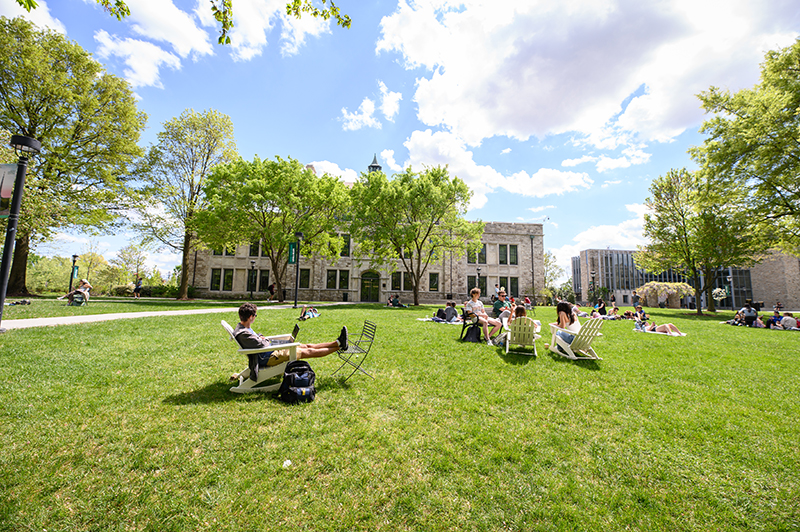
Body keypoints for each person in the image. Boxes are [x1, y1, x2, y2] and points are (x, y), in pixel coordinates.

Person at [233, 303, 348, 367]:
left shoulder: (243, 327)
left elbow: (257, 339)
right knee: (307, 352)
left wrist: (261, 337)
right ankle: (339, 347)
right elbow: (263, 345)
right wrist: (265, 340)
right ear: (250, 317)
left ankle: (337, 342)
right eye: (255, 316)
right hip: (268, 357)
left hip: (270, 351)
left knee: (306, 346)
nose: (255, 318)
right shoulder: (243, 333)